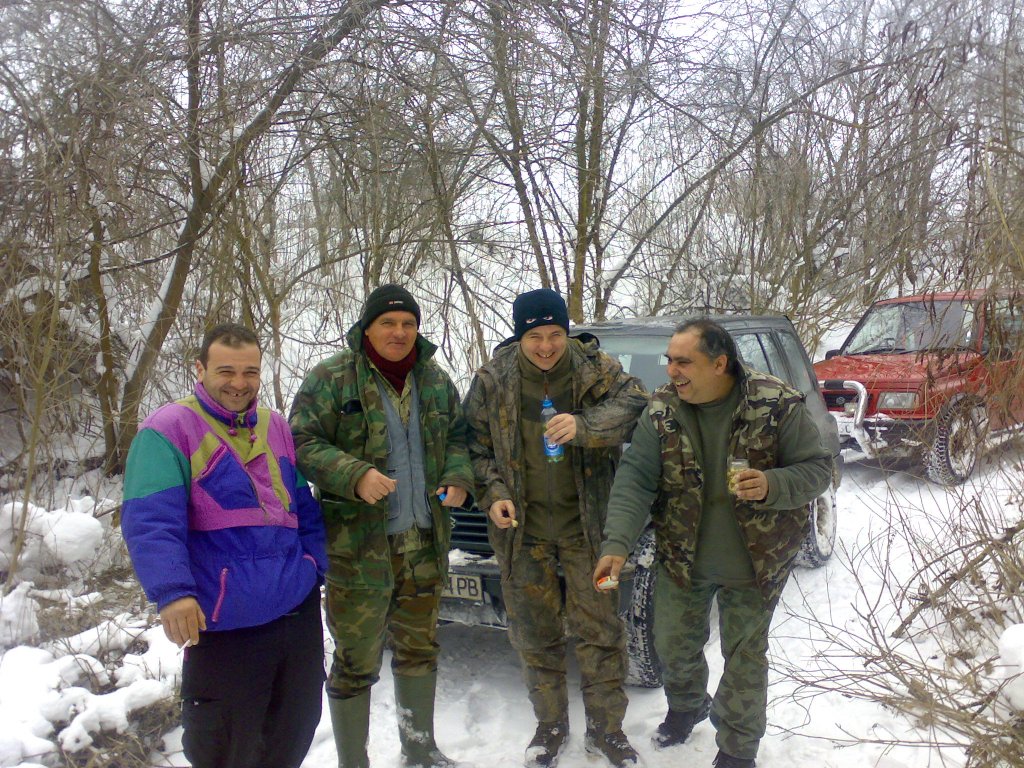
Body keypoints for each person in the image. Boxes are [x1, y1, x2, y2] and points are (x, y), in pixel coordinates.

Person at [593, 318, 832, 768]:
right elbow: (635, 479)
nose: (672, 371)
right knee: (672, 643)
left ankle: (738, 748)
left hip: (755, 559)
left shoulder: (776, 403)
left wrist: (773, 484)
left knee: (744, 657)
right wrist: (617, 543)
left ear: (719, 363)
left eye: (684, 362)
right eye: (669, 360)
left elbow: (818, 470)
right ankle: (687, 706)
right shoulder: (662, 409)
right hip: (682, 555)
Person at [121, 323, 327, 768]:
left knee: (293, 731)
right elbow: (151, 521)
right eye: (226, 371)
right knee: (225, 746)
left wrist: (314, 565)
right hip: (225, 621)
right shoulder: (168, 429)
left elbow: (302, 507)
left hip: (296, 614)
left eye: (250, 372)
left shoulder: (274, 425)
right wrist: (173, 592)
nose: (239, 383)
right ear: (200, 369)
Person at [289, 284, 475, 768]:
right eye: (388, 323)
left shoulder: (434, 380)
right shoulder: (332, 378)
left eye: (408, 324)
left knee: (419, 648)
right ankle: (354, 761)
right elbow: (301, 442)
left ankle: (419, 749)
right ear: (367, 328)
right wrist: (353, 474)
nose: (399, 332)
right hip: (358, 550)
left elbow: (459, 438)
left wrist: (458, 477)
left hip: (423, 543)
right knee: (355, 661)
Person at [464, 288, 648, 768]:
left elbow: (637, 405)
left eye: (554, 334)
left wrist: (585, 426)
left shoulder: (595, 369)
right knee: (535, 634)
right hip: (522, 534)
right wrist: (494, 494)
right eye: (535, 336)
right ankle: (550, 726)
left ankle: (607, 731)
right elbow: (474, 449)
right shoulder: (493, 380)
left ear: (566, 333)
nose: (545, 346)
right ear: (519, 337)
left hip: (589, 530)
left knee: (601, 631)